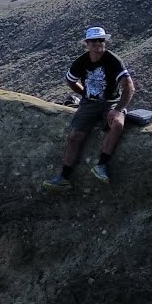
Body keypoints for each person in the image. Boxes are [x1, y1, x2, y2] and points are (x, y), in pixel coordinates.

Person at [43, 26, 136, 190]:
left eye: (101, 40)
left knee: (117, 123)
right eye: (93, 41)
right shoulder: (82, 61)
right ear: (87, 43)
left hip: (110, 102)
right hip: (89, 103)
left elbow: (129, 87)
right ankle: (64, 178)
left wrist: (118, 109)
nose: (97, 43)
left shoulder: (113, 60)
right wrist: (84, 93)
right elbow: (70, 80)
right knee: (75, 136)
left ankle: (102, 165)